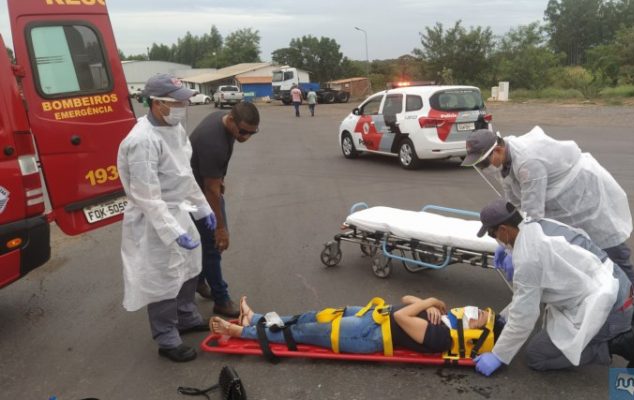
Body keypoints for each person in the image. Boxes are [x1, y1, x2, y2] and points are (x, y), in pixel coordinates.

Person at [462, 127, 634, 333]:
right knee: (584, 258)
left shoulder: (528, 162)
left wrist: (514, 248)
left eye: (483, 163)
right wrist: (505, 244)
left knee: (615, 254)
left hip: (587, 200)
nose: (482, 168)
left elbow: (533, 214)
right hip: (562, 206)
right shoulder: (505, 162)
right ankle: (602, 308)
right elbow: (512, 203)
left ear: (497, 150)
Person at [472, 199, 634, 376]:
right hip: (616, 280)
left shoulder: (528, 258)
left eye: (492, 235)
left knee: (536, 356)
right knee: (548, 324)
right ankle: (611, 334)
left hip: (610, 306)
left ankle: (619, 343)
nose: (496, 240)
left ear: (504, 230)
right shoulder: (537, 223)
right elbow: (530, 293)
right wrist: (502, 319)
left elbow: (525, 315)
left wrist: (499, 355)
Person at [117, 73, 217, 363]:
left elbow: (184, 175)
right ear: (157, 102)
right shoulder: (142, 141)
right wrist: (171, 230)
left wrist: (203, 208)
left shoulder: (174, 128)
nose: (183, 106)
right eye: (177, 102)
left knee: (189, 266)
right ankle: (166, 337)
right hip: (153, 220)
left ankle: (185, 317)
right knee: (162, 277)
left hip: (178, 210)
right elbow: (146, 195)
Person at [210, 294, 504, 357]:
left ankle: (240, 331)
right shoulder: (448, 318)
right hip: (372, 316)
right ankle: (257, 317)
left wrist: (428, 302)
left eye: (480, 316)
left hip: (368, 335)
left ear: (475, 334)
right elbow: (404, 301)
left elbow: (403, 317)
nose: (474, 309)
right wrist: (431, 304)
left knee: (301, 332)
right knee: (310, 316)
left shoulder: (442, 336)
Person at [190, 102, 260, 318]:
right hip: (198, 195)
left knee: (207, 244)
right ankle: (221, 299)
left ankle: (200, 281)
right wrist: (220, 227)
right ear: (231, 120)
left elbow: (214, 180)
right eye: (243, 132)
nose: (246, 137)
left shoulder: (226, 122)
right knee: (215, 244)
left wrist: (219, 178)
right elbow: (211, 191)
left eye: (252, 133)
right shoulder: (213, 143)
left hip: (203, 184)